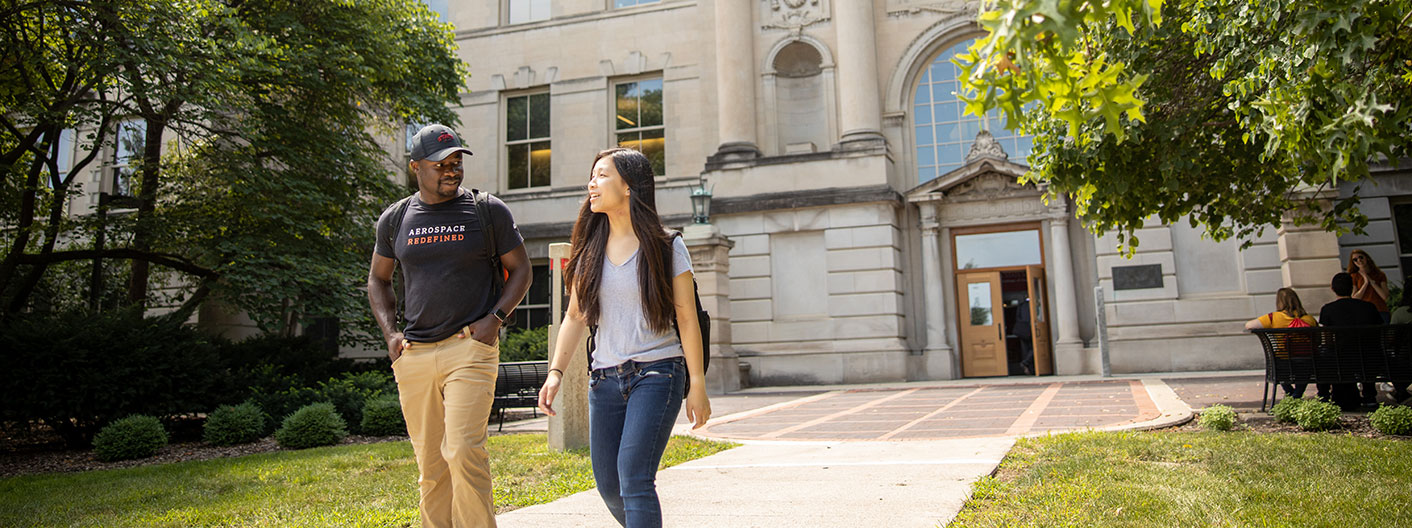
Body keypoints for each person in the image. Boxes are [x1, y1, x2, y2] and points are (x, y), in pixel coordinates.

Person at [367, 124, 532, 528]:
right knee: (431, 464)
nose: (451, 170)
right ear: (416, 168)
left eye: (456, 161)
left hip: (469, 348)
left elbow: (522, 269)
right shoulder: (396, 219)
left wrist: (494, 321)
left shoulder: (487, 211)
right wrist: (391, 333)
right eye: (441, 163)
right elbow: (378, 279)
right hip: (416, 355)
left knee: (462, 450)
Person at [537, 148, 711, 528]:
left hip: (658, 373)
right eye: (592, 176)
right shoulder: (589, 252)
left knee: (634, 477)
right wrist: (556, 372)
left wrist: (697, 382)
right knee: (610, 485)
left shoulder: (666, 246)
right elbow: (574, 316)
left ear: (628, 186)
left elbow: (686, 316)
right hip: (605, 381)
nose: (591, 184)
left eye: (601, 175)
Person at [1316, 272, 1383, 410]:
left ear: (1333, 289)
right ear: (1352, 288)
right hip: (1369, 357)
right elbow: (1379, 332)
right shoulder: (1369, 307)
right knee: (1365, 355)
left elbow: (1327, 339)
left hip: (1341, 358)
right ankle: (1369, 396)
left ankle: (1325, 396)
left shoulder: (1328, 309)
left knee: (1324, 357)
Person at [1244, 288, 1319, 398]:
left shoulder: (1274, 317)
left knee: (1278, 362)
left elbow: (1249, 325)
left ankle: (1290, 393)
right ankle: (1297, 394)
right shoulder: (1309, 319)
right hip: (1307, 362)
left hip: (1283, 363)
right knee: (1305, 365)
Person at [1347, 249, 1390, 323]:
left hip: (1380, 310)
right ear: (1353, 263)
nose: (1359, 260)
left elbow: (1385, 296)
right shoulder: (1354, 276)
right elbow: (1354, 297)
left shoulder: (1379, 274)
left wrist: (1372, 283)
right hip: (1363, 311)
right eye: (1355, 259)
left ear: (1366, 257)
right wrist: (1365, 283)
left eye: (1361, 257)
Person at [1014, 297, 1034, 375]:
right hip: (1030, 329)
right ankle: (1026, 363)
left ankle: (1029, 368)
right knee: (1034, 348)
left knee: (1026, 350)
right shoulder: (1033, 304)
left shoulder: (1021, 305)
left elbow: (1018, 318)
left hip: (1023, 331)